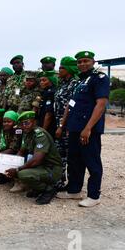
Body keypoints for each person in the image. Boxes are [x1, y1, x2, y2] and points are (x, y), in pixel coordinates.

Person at [57, 51, 110, 208]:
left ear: (93, 61)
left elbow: (100, 104)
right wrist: (64, 125)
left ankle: (94, 195)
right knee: (74, 160)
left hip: (88, 129)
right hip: (74, 128)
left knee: (92, 161)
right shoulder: (80, 81)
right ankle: (74, 190)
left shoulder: (99, 79)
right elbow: (70, 104)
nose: (82, 64)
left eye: (86, 61)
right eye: (79, 62)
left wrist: (88, 128)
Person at [6, 111, 62, 205]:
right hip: (41, 167)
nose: (25, 126)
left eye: (27, 123)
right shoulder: (28, 135)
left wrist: (17, 169)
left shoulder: (40, 135)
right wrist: (9, 165)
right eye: (22, 124)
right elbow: (21, 151)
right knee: (19, 171)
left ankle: (49, 190)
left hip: (52, 169)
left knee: (22, 174)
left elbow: (37, 160)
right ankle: (37, 188)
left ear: (34, 122)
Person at [54, 57, 80, 188]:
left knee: (71, 156)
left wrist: (61, 126)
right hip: (59, 123)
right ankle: (59, 181)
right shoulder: (63, 83)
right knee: (60, 154)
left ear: (69, 69)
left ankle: (72, 184)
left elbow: (70, 107)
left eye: (62, 68)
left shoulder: (74, 84)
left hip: (68, 125)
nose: (59, 70)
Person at [0, 111, 22, 185]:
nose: (6, 123)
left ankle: (18, 181)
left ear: (15, 122)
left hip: (19, 152)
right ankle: (4, 175)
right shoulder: (5, 129)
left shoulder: (18, 131)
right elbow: (2, 142)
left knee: (0, 154)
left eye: (9, 121)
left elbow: (13, 149)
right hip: (9, 150)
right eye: (4, 122)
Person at [38, 70, 58, 137]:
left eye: (44, 80)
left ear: (51, 81)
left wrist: (43, 130)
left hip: (49, 126)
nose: (41, 82)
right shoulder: (45, 92)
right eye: (40, 81)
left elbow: (49, 114)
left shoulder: (51, 93)